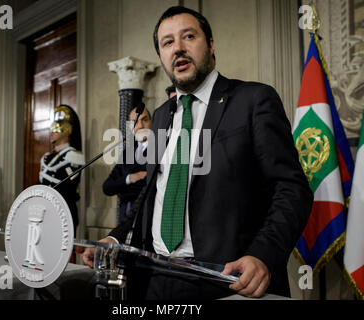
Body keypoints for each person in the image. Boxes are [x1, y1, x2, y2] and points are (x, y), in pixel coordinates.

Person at [83, 6, 312, 300]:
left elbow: (292, 189)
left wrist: (263, 254)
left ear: (211, 44)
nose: (178, 48)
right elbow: (151, 197)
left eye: (188, 36)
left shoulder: (253, 100)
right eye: (167, 43)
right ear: (162, 57)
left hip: (226, 280)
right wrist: (114, 237)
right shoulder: (162, 116)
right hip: (156, 277)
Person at [102, 106, 152, 225]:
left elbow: (147, 186)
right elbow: (107, 187)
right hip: (125, 218)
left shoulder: (160, 149)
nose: (140, 126)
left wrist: (122, 189)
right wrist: (129, 179)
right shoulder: (127, 153)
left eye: (144, 120)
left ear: (152, 122)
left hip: (146, 218)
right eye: (135, 122)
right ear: (130, 127)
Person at [39, 104, 84, 232]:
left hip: (64, 210)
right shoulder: (47, 157)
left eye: (56, 130)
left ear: (66, 133)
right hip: (46, 210)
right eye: (51, 130)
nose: (51, 134)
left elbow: (70, 184)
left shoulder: (74, 156)